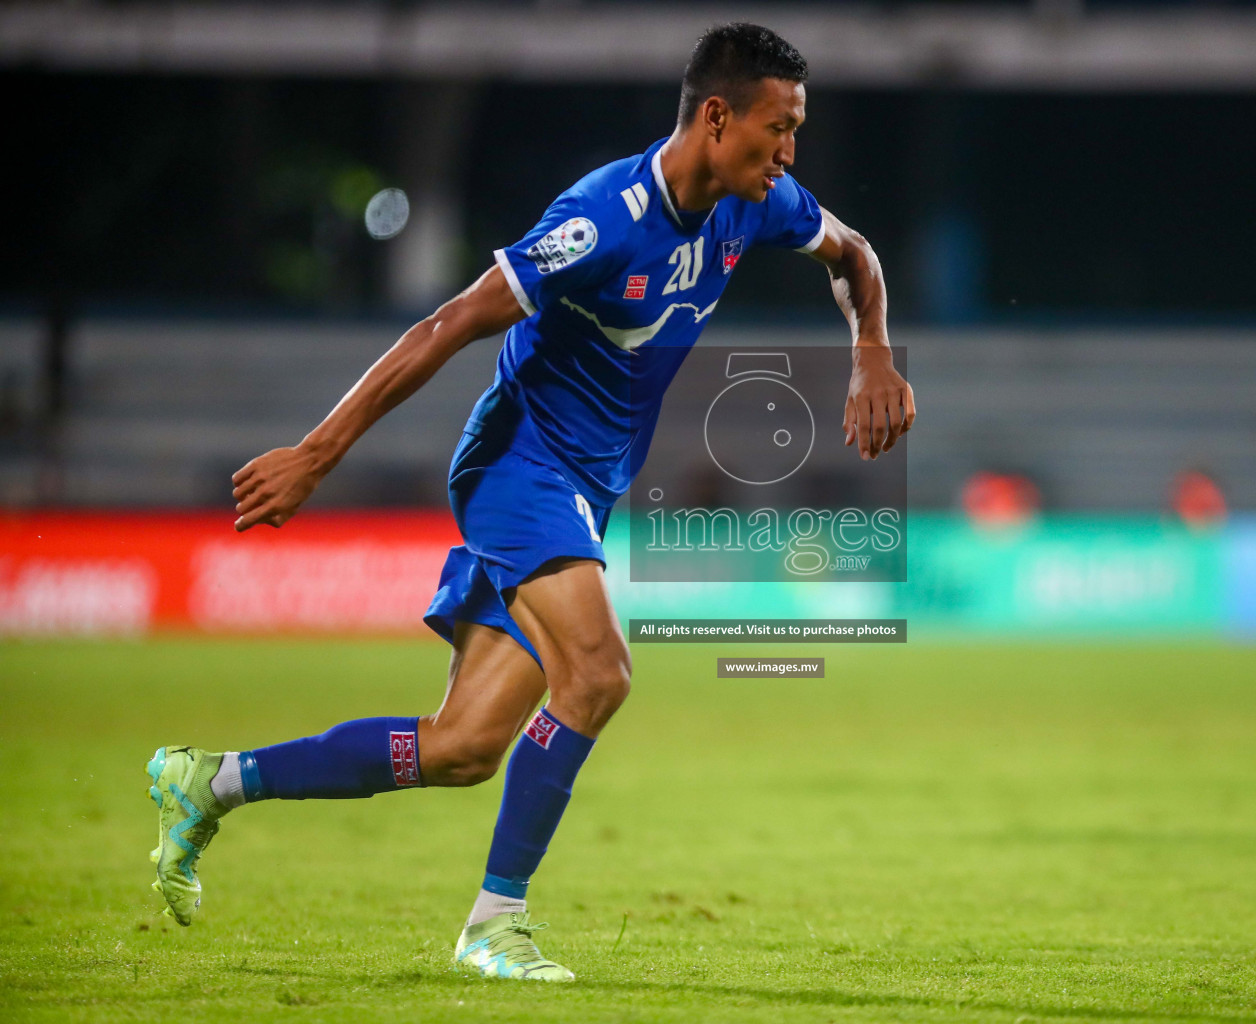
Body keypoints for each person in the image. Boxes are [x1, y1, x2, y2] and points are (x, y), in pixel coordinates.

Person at [143, 23, 915, 982]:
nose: (791, 150)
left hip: (585, 491)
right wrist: (316, 453)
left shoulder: (756, 203)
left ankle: (208, 783)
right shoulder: (601, 219)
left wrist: (870, 350)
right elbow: (451, 321)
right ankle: (494, 924)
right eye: (779, 126)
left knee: (464, 745)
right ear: (717, 117)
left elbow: (855, 254)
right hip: (520, 468)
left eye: (798, 129)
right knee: (599, 676)